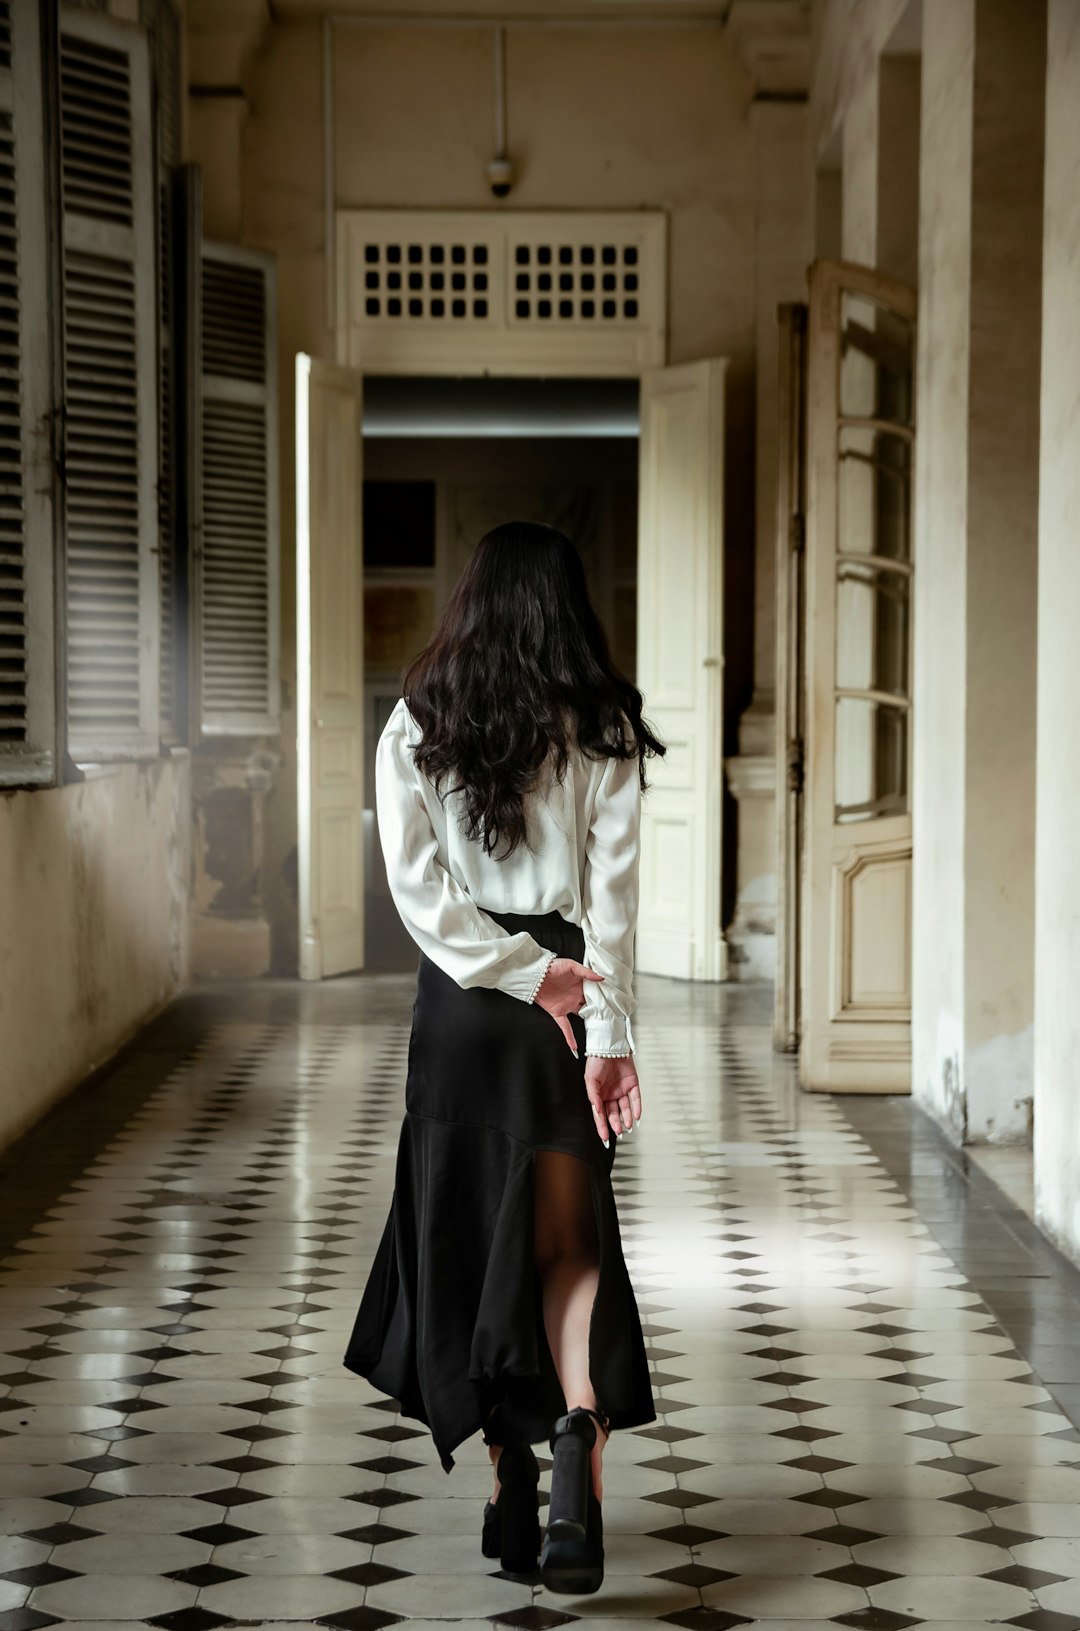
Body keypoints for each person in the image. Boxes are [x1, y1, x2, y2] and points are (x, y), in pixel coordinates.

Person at [343, 520, 662, 1595]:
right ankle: (575, 1434)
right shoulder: (604, 726)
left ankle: (508, 1480)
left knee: (474, 1239)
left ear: (469, 601)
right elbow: (612, 908)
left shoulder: (417, 719)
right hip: (564, 998)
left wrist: (516, 973)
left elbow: (418, 892)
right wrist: (603, 1032)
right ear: (568, 607)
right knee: (568, 1242)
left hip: (462, 1006)